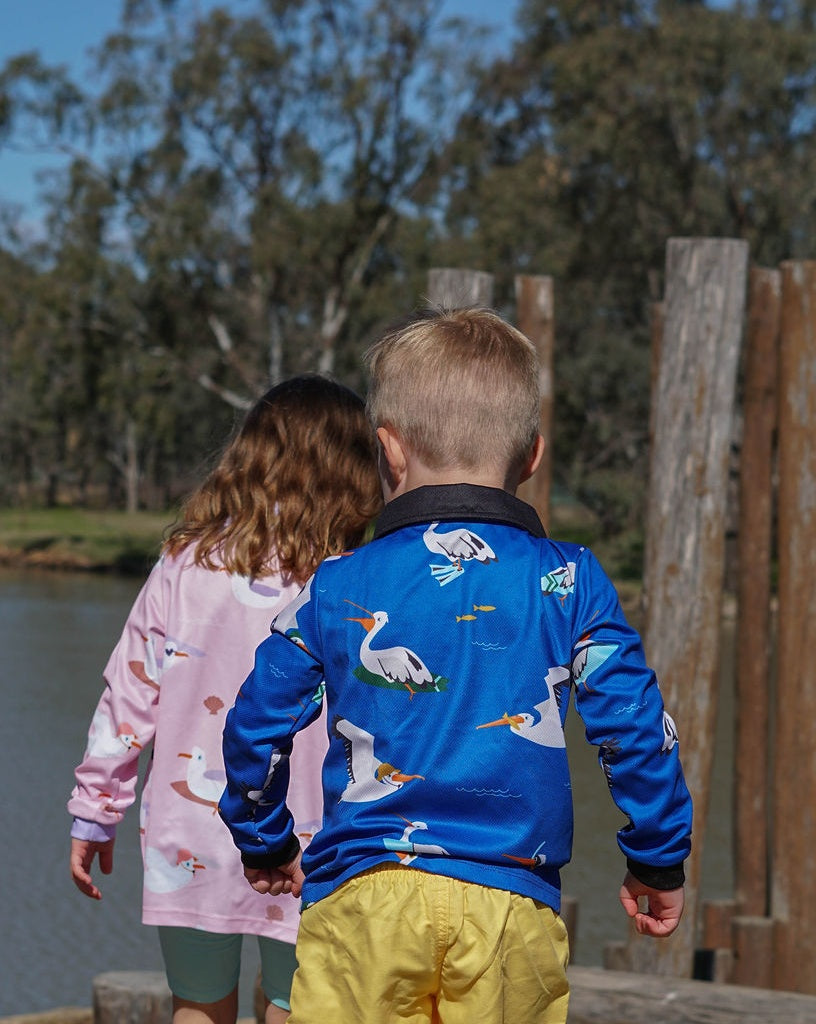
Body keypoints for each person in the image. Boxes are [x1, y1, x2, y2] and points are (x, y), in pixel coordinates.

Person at [219, 307, 693, 1024]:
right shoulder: (571, 579)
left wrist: (266, 838)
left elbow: (255, 722)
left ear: (388, 453)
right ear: (532, 456)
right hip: (509, 903)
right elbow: (633, 726)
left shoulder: (338, 584)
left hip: (363, 902)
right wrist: (657, 855)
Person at [68, 375, 382, 1024]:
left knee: (197, 1006)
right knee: (298, 1004)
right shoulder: (351, 580)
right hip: (310, 831)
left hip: (193, 833)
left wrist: (95, 813)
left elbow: (127, 700)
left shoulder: (182, 563)